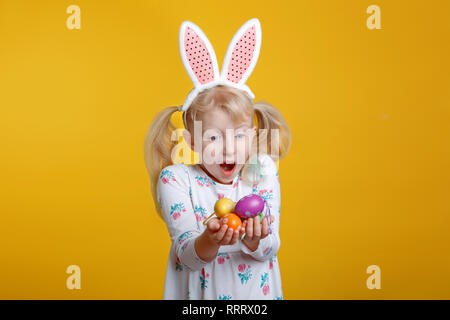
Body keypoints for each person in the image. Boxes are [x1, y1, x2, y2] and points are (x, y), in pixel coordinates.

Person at [144, 18, 291, 299]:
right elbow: (185, 255)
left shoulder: (262, 172)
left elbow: (271, 247)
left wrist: (254, 237)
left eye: (238, 136)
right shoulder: (176, 179)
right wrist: (208, 240)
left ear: (252, 135)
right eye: (213, 137)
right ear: (191, 142)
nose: (228, 149)